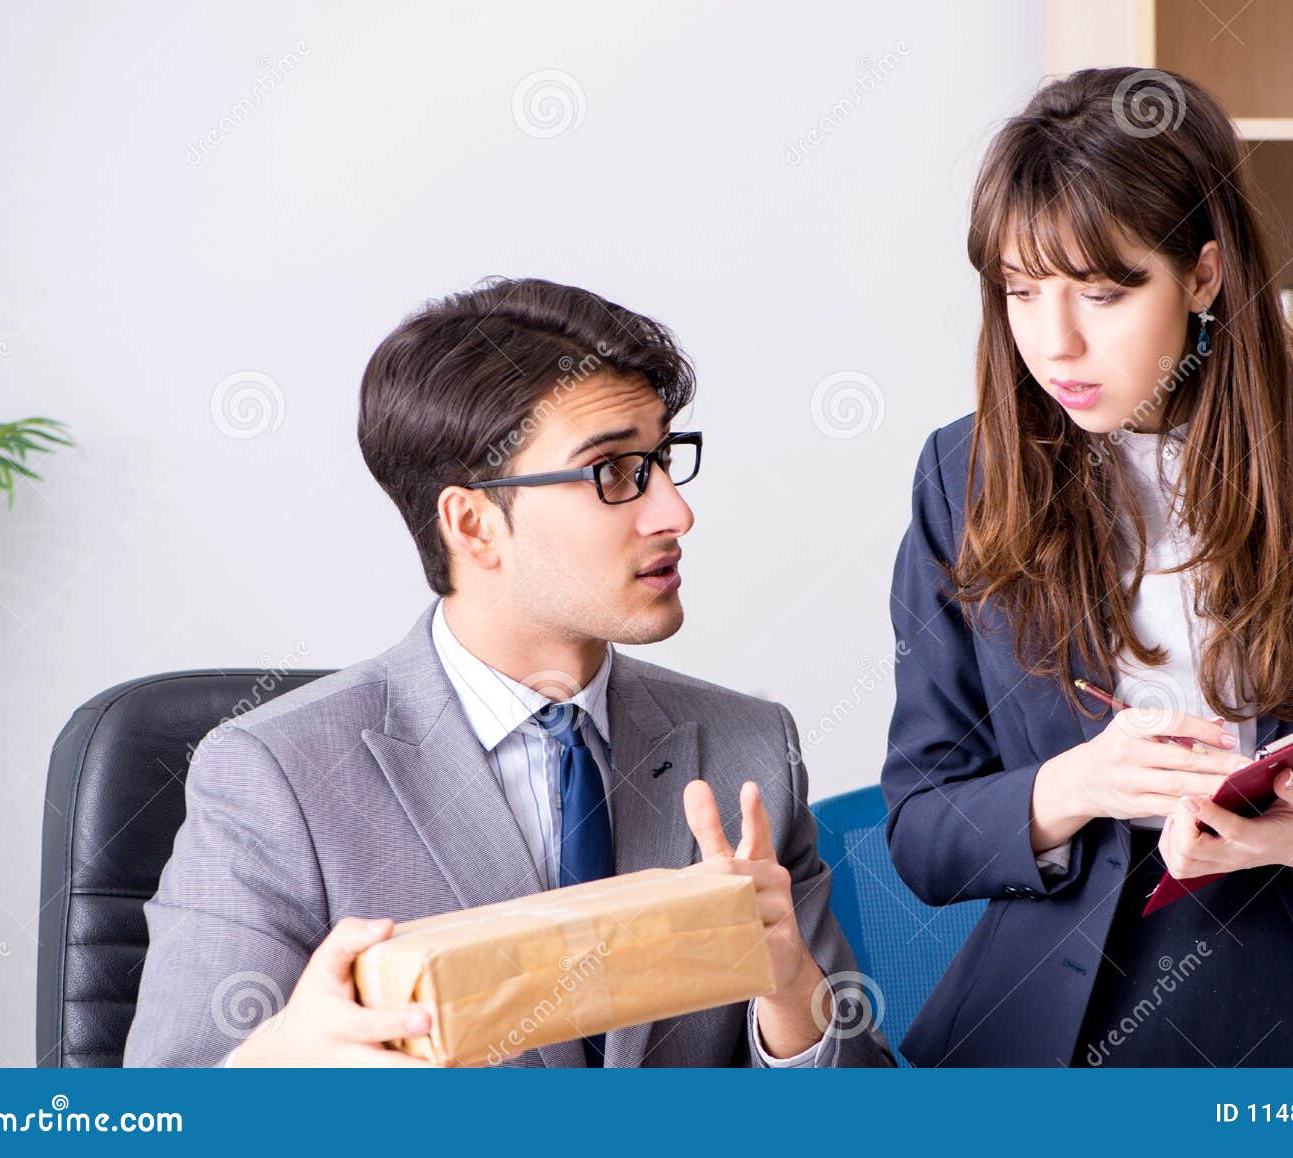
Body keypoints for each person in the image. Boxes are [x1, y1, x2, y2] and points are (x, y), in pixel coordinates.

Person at [882, 67, 1293, 1068]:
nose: (1053, 342)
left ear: (1203, 276)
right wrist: (1071, 785)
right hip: (1072, 1003)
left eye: (1102, 291)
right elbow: (920, 824)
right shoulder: (963, 475)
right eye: (1020, 291)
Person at [125, 276, 891, 1068]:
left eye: (663, 459)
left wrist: (791, 992)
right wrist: (278, 1065)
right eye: (615, 471)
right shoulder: (276, 776)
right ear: (474, 524)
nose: (674, 512)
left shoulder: (749, 749)